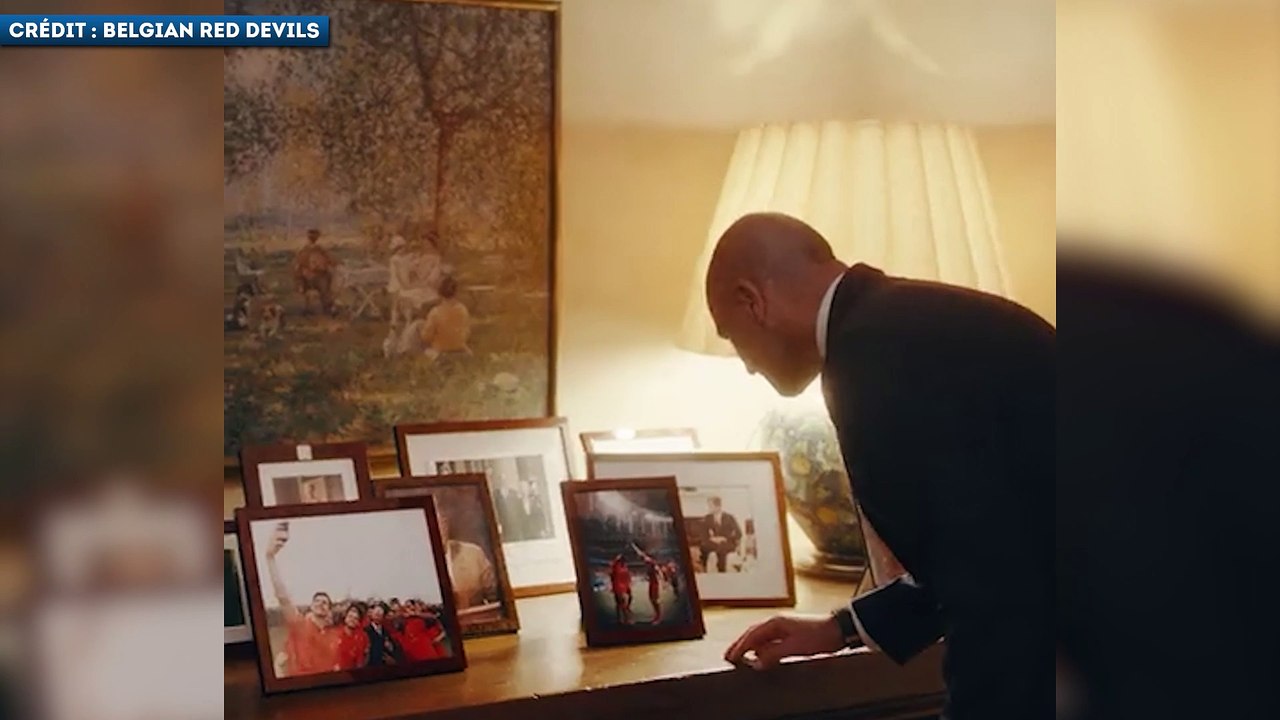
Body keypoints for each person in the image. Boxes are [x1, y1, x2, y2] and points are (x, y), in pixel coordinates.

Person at [714, 213, 1053, 720]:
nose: (746, 364)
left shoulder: (869, 362)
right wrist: (841, 627)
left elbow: (989, 595)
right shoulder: (909, 322)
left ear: (751, 301)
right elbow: (967, 546)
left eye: (731, 336)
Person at [263, 522, 341, 676]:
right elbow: (283, 596)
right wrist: (270, 558)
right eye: (317, 601)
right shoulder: (299, 624)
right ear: (311, 606)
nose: (320, 603)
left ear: (329, 610)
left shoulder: (334, 635)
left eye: (325, 602)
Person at [437, 506, 498, 611]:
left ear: (445, 524)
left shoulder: (473, 554)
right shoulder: (413, 565)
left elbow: (496, 600)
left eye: (437, 524)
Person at [419, 275, 472, 359]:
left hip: (440, 352)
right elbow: (467, 333)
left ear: (439, 293)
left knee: (417, 327)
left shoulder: (435, 312)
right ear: (456, 292)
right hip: (459, 349)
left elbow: (426, 337)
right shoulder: (463, 309)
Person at [293, 228, 337, 315]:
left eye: (315, 236)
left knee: (330, 279)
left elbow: (330, 260)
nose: (314, 238)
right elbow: (298, 266)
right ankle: (328, 307)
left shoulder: (320, 249)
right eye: (312, 236)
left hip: (322, 275)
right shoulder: (304, 250)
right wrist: (300, 280)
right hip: (309, 279)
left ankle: (330, 305)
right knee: (323, 284)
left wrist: (330, 264)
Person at [699, 496, 742, 573]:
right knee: (704, 547)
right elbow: (703, 534)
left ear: (718, 506)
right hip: (712, 543)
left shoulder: (729, 517)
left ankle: (721, 570)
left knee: (722, 548)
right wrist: (712, 539)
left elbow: (739, 533)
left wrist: (724, 538)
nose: (709, 508)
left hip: (726, 543)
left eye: (710, 506)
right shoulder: (707, 518)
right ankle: (706, 569)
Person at [364, 601, 403, 666]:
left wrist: (392, 656)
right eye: (376, 613)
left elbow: (393, 649)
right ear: (371, 614)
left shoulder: (386, 632)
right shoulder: (366, 631)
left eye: (380, 614)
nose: (378, 615)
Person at [633, 543, 664, 624]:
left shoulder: (650, 562)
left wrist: (663, 580)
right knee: (652, 599)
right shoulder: (647, 561)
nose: (640, 558)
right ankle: (657, 616)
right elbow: (639, 552)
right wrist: (633, 546)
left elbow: (658, 571)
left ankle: (658, 617)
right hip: (652, 583)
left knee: (654, 600)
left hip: (654, 583)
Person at [334, 603, 370, 670]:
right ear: (345, 617)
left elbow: (366, 655)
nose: (352, 620)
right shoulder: (335, 634)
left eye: (355, 618)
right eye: (350, 616)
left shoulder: (363, 636)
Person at [608, 553, 632, 625]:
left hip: (622, 586)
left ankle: (620, 619)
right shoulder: (616, 566)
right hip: (618, 587)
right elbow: (613, 574)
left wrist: (628, 583)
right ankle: (625, 620)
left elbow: (626, 575)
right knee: (621, 603)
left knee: (620, 603)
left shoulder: (622, 566)